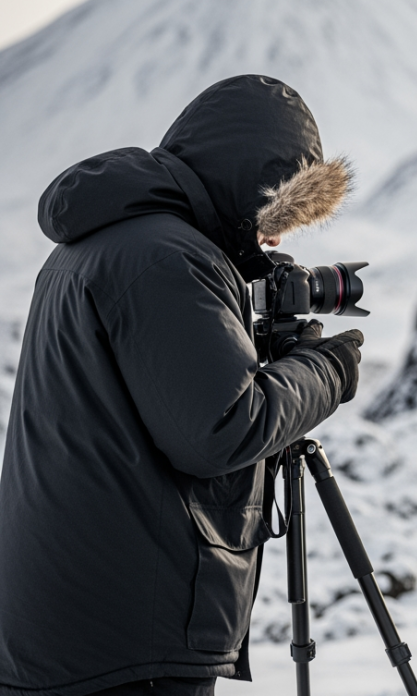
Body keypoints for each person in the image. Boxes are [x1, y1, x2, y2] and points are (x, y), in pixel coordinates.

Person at [0, 75, 364, 696]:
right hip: (124, 640)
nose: (275, 240)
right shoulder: (167, 258)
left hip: (73, 619)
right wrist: (326, 370)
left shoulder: (103, 240)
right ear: (248, 186)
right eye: (276, 215)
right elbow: (221, 430)